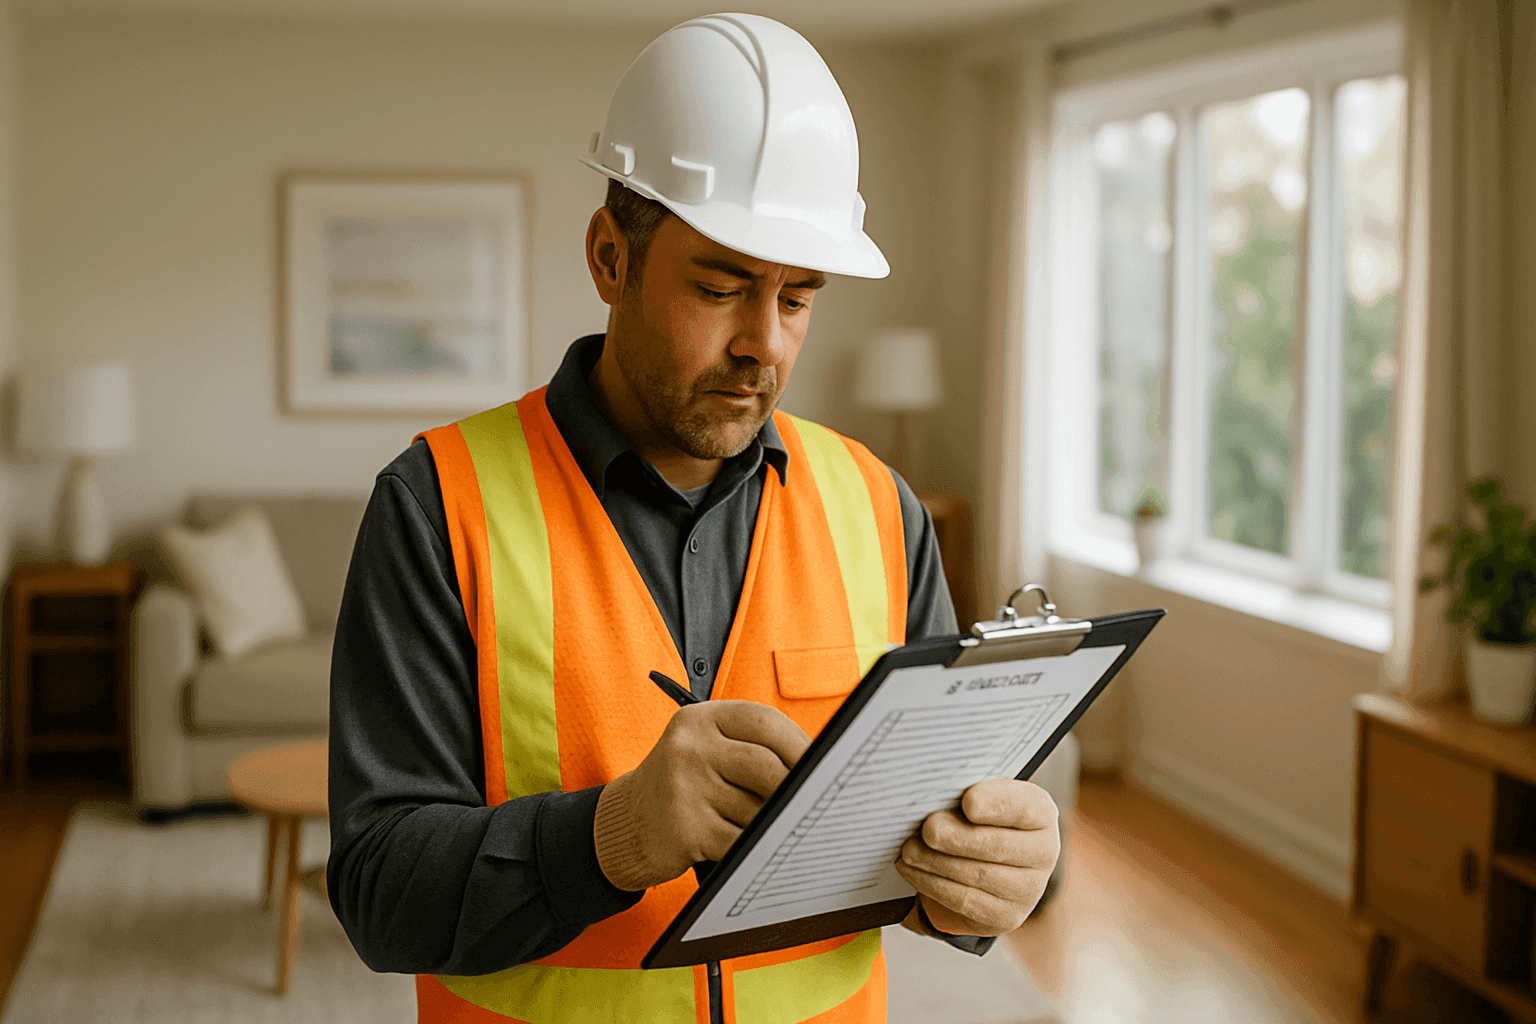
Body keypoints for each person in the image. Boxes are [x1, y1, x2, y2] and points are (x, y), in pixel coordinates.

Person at [327, 13, 1059, 1024]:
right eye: (720, 288)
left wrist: (992, 880)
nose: (762, 343)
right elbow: (378, 894)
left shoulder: (881, 508)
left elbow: (936, 826)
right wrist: (610, 836)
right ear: (609, 257)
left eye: (799, 300)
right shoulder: (437, 504)